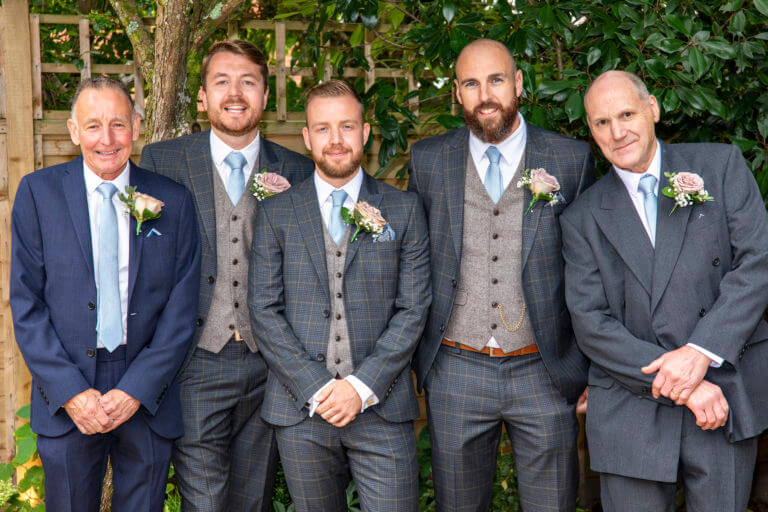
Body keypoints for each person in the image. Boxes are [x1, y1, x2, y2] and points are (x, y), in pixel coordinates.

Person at [561, 70, 768, 511]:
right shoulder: (581, 217)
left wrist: (700, 354)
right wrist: (685, 385)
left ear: (652, 108)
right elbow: (591, 323)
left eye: (626, 114)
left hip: (723, 393)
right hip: (631, 407)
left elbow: (758, 264)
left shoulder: (720, 166)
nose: (617, 132)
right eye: (601, 122)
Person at [407, 38, 595, 511]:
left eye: (495, 79)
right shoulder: (428, 161)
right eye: (471, 83)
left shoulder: (571, 160)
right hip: (455, 368)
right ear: (457, 92)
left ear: (518, 83)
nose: (484, 94)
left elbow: (592, 269)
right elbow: (414, 262)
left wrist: (592, 366)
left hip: (545, 368)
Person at [9, 76, 200, 511]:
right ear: (74, 132)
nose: (107, 139)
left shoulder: (173, 200)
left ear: (136, 125)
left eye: (118, 124)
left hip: (146, 391)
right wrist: (72, 392)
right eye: (93, 125)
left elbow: (181, 309)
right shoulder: (38, 195)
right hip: (68, 388)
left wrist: (136, 389)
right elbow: (26, 304)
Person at [139, 40, 314, 511]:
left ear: (264, 96)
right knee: (204, 501)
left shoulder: (298, 171)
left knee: (252, 499)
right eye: (222, 81)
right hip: (195, 360)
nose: (235, 93)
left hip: (271, 365)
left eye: (248, 82)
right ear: (202, 96)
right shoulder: (162, 162)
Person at [248, 80, 430, 512]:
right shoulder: (276, 213)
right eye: (323, 129)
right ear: (307, 137)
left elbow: (413, 308)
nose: (336, 140)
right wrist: (316, 388)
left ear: (365, 133)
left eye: (346, 127)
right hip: (302, 410)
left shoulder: (402, 210)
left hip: (381, 406)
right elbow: (264, 310)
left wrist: (361, 385)